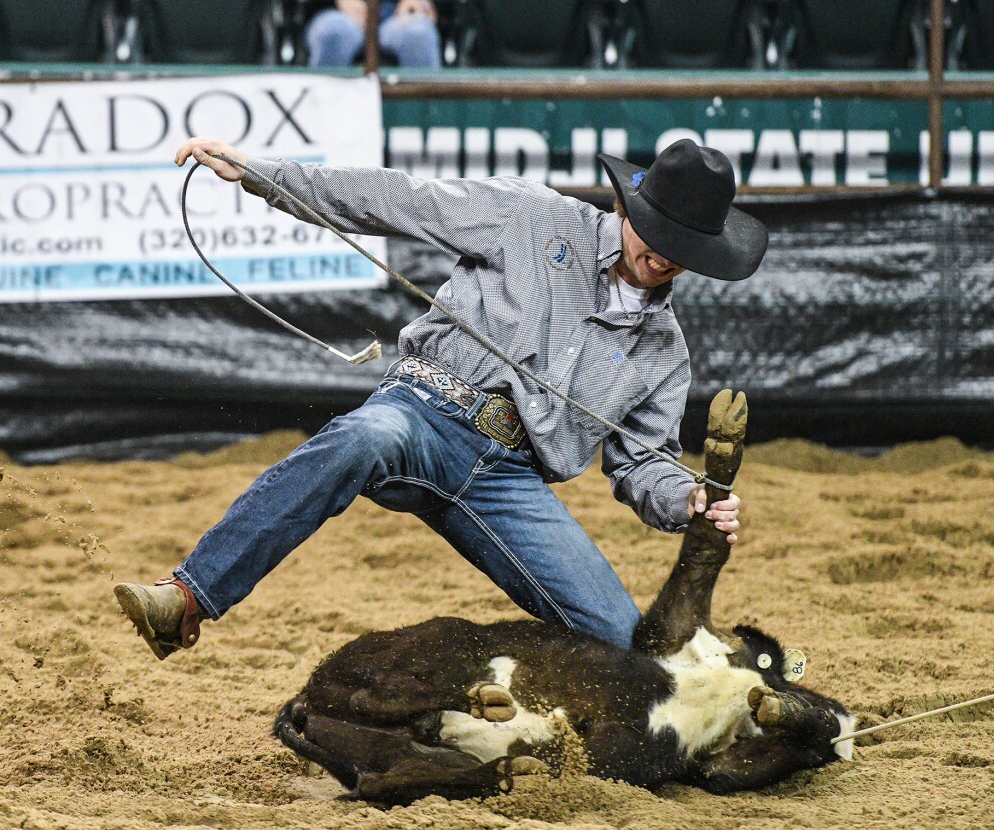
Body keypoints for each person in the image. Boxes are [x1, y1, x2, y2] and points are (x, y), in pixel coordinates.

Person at [114, 136, 765, 660]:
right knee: (364, 438)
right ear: (628, 208)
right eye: (658, 233)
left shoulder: (662, 352)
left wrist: (688, 498)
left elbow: (641, 465)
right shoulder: (531, 216)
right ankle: (188, 598)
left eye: (683, 249)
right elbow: (400, 199)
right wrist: (263, 173)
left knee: (622, 645)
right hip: (423, 411)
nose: (664, 257)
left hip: (509, 481)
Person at [306, 0, 442, 69]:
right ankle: (324, 119)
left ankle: (422, 120)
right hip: (338, 12)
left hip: (397, 14)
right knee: (335, 32)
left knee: (417, 34)